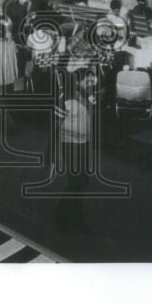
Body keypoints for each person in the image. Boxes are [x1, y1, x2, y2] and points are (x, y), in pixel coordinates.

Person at [53, 74, 93, 233]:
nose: (91, 83)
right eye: (88, 80)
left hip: (82, 144)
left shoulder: (82, 96)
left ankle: (69, 214)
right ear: (78, 82)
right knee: (77, 181)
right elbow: (55, 127)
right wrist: (55, 156)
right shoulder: (66, 100)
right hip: (70, 145)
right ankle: (68, 217)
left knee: (82, 180)